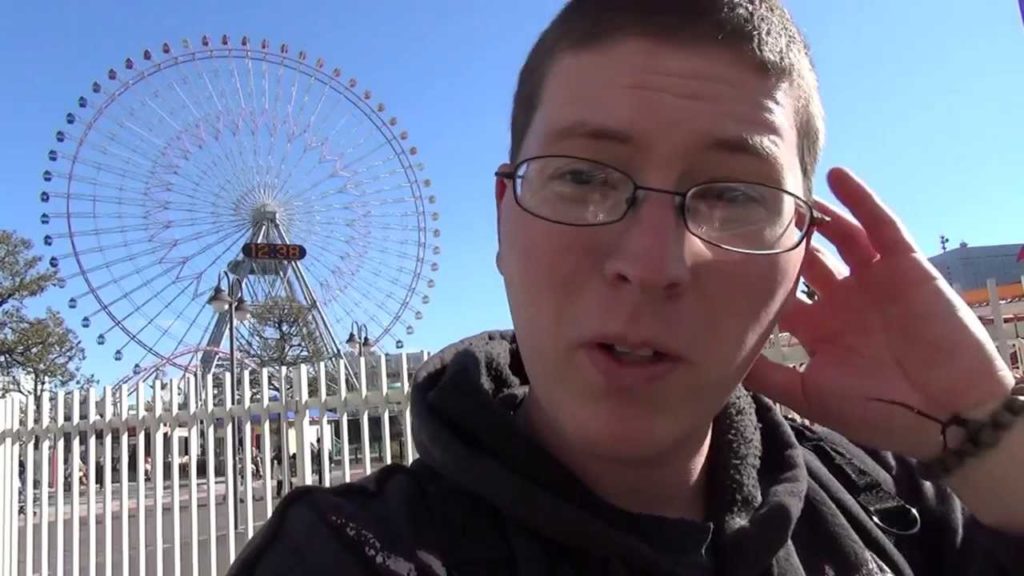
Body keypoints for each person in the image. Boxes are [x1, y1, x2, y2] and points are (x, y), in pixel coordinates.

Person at [229, 1, 1024, 574]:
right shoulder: (339, 556)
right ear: (503, 225)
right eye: (580, 177)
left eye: (735, 194)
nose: (652, 263)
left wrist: (990, 435)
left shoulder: (899, 499)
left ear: (801, 254)